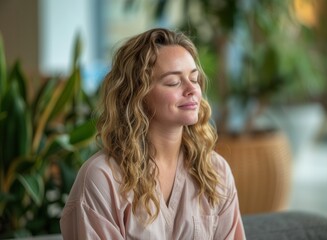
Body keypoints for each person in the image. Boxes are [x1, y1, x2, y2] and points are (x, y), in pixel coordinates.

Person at [60, 28, 246, 239]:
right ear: (137, 95)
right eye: (173, 82)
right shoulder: (102, 179)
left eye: (194, 79)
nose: (191, 90)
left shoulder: (216, 172)